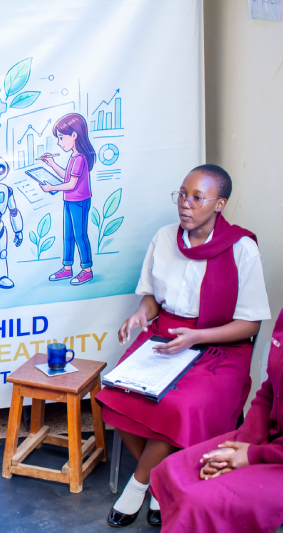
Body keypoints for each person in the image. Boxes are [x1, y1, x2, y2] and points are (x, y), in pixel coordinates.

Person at [95, 164, 270, 528]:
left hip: (219, 345)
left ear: (219, 204)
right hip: (165, 336)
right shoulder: (163, 238)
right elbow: (151, 299)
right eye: (182, 194)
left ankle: (138, 486)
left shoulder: (242, 249)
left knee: (179, 405)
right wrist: (140, 315)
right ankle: (163, 483)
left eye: (197, 197)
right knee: (114, 393)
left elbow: (250, 324)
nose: (185, 204)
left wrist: (197, 337)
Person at [150, 308, 283, 532]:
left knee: (197, 502)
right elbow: (269, 389)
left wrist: (251, 455)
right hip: (268, 442)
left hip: (275, 457)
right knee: (173, 468)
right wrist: (243, 443)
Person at [39, 113, 96, 285]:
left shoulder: (80, 158)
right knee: (68, 235)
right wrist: (52, 164)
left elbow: (71, 184)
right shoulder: (74, 156)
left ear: (74, 135)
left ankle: (87, 270)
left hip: (79, 201)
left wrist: (51, 188)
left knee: (80, 235)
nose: (59, 142)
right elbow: (67, 176)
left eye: (61, 138)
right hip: (70, 201)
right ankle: (67, 267)